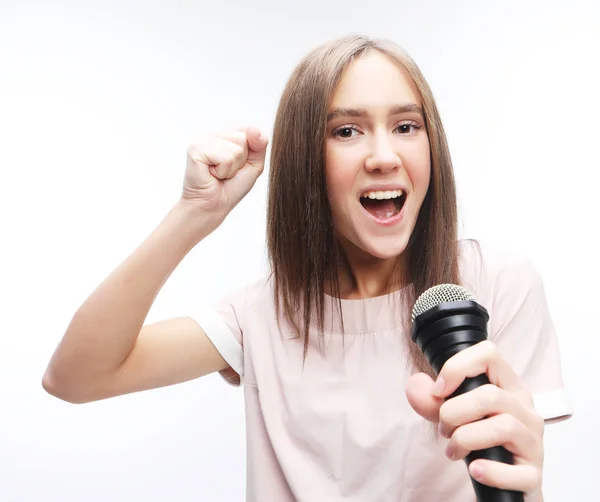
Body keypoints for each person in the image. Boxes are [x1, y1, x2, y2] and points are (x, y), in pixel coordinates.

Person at [42, 34, 572, 501]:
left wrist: (532, 488)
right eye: (346, 131)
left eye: (406, 125)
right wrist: (194, 215)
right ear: (305, 161)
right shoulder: (262, 315)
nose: (384, 155)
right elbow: (76, 376)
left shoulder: (494, 285)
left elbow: (518, 479)